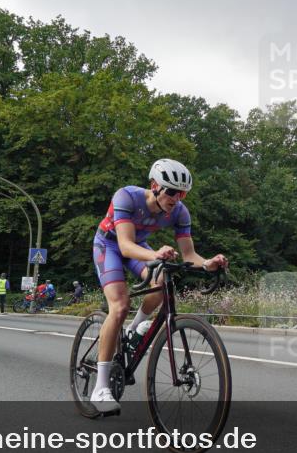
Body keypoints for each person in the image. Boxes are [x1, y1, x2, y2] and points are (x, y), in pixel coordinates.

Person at [91, 158, 228, 411]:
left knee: (162, 280)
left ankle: (132, 331)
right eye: (172, 191)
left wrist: (208, 263)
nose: (177, 198)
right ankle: (100, 388)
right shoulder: (126, 197)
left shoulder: (179, 212)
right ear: (155, 186)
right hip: (109, 245)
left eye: (183, 193)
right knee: (120, 306)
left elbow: (189, 256)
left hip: (138, 246)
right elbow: (124, 245)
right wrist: (155, 254)